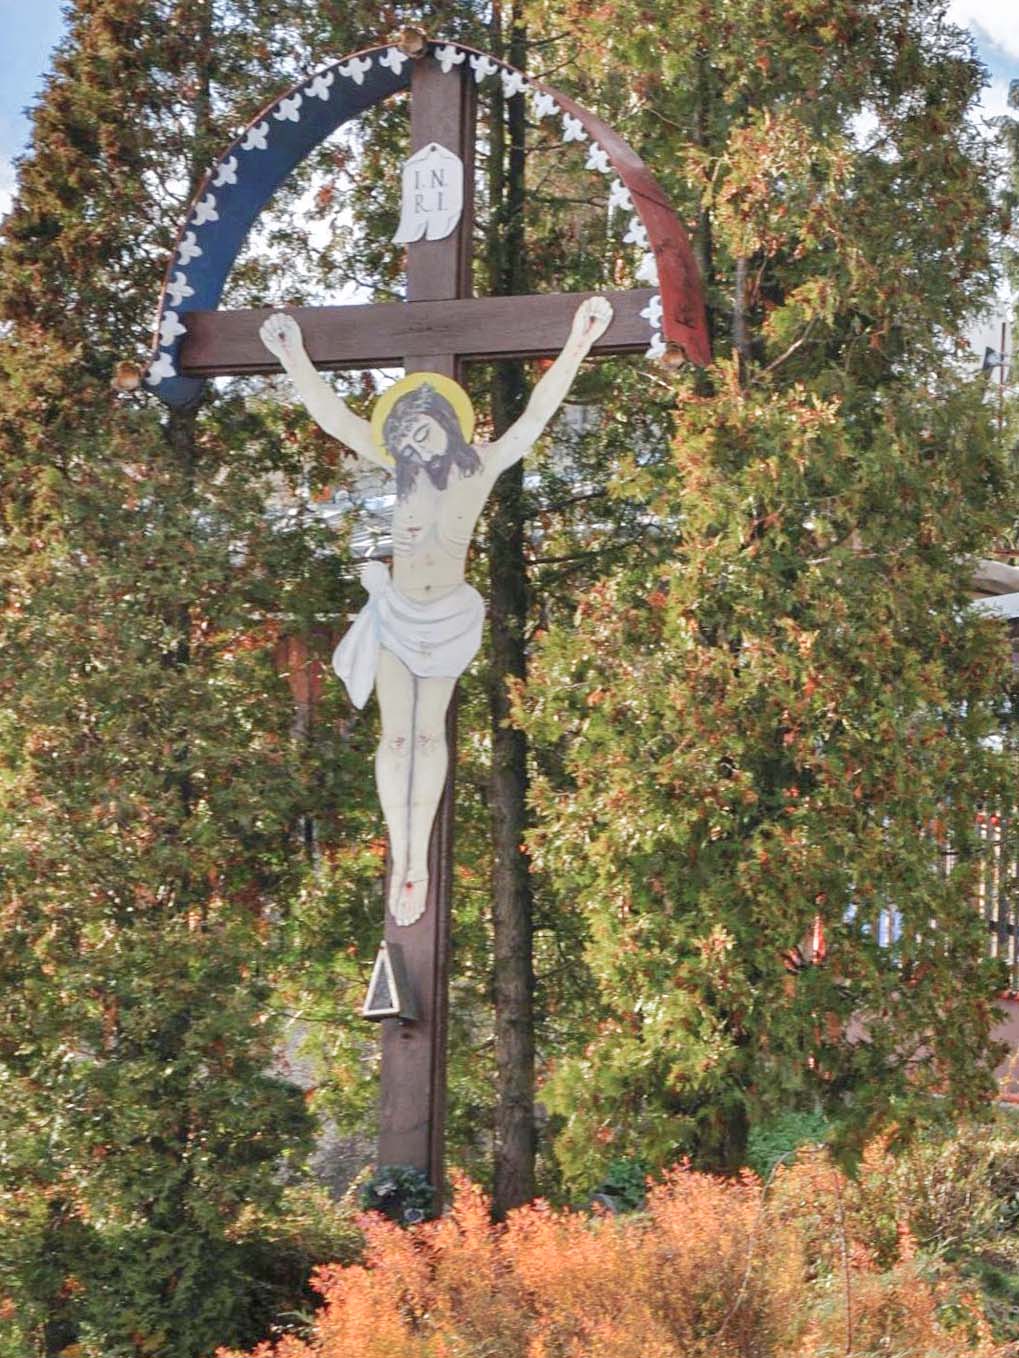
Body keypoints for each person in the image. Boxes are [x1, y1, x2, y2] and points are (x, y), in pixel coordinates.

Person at [259, 296, 613, 924]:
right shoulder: (401, 470)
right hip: (395, 612)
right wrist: (292, 357)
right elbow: (337, 419)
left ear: (448, 423)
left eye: (421, 429)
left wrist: (579, 343)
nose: (412, 442)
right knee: (397, 736)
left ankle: (418, 862)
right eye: (402, 435)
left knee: (428, 735)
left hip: (448, 616)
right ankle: (403, 857)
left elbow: (537, 413)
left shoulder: (481, 466)